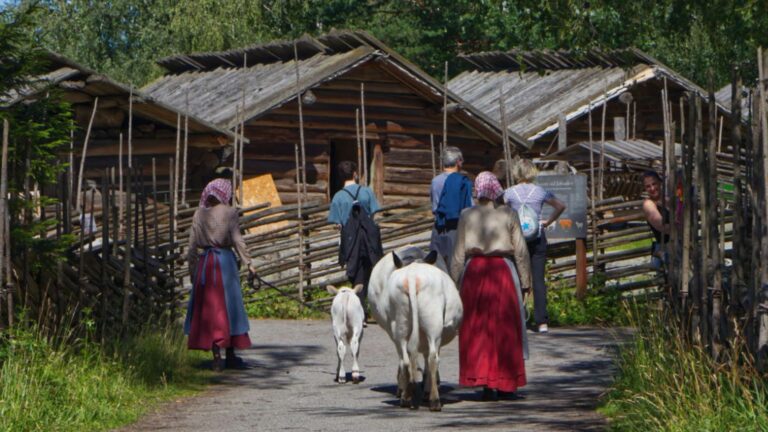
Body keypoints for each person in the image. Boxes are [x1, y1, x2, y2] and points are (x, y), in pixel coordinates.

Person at [450, 171, 532, 401]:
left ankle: (485, 382)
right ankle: (504, 384)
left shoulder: (467, 214)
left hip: (474, 273)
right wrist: (525, 282)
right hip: (502, 272)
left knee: (477, 328)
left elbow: (458, 252)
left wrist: (454, 282)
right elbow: (521, 250)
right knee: (504, 326)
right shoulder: (508, 213)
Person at [185, 178, 256, 371]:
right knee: (230, 308)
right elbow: (237, 240)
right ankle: (230, 355)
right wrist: (249, 263)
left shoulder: (199, 213)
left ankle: (217, 357)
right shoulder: (230, 212)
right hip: (225, 264)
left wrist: (192, 271)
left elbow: (192, 247)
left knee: (212, 310)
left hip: (206, 266)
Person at [504, 159, 566, 334]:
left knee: (516, 279)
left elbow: (498, 208)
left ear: (516, 172)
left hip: (517, 240)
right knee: (538, 280)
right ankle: (542, 322)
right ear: (532, 171)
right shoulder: (540, 191)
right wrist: (548, 221)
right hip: (537, 237)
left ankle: (516, 319)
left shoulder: (509, 193)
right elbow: (561, 205)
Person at [328, 161, 381, 321]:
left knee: (355, 275)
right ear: (355, 174)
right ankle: (364, 311)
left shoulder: (338, 196)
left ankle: (360, 314)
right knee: (367, 273)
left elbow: (337, 224)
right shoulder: (366, 192)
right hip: (368, 239)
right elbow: (374, 215)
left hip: (350, 241)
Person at [430, 146, 473, 267]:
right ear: (458, 162)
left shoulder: (435, 181)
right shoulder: (463, 181)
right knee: (457, 267)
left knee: (438, 267)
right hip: (457, 229)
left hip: (439, 228)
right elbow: (469, 207)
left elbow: (434, 206)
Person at [641, 170, 670, 269]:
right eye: (648, 186)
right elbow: (662, 227)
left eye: (654, 184)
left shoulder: (667, 200)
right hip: (665, 249)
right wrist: (682, 229)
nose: (652, 188)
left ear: (660, 182)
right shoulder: (648, 204)